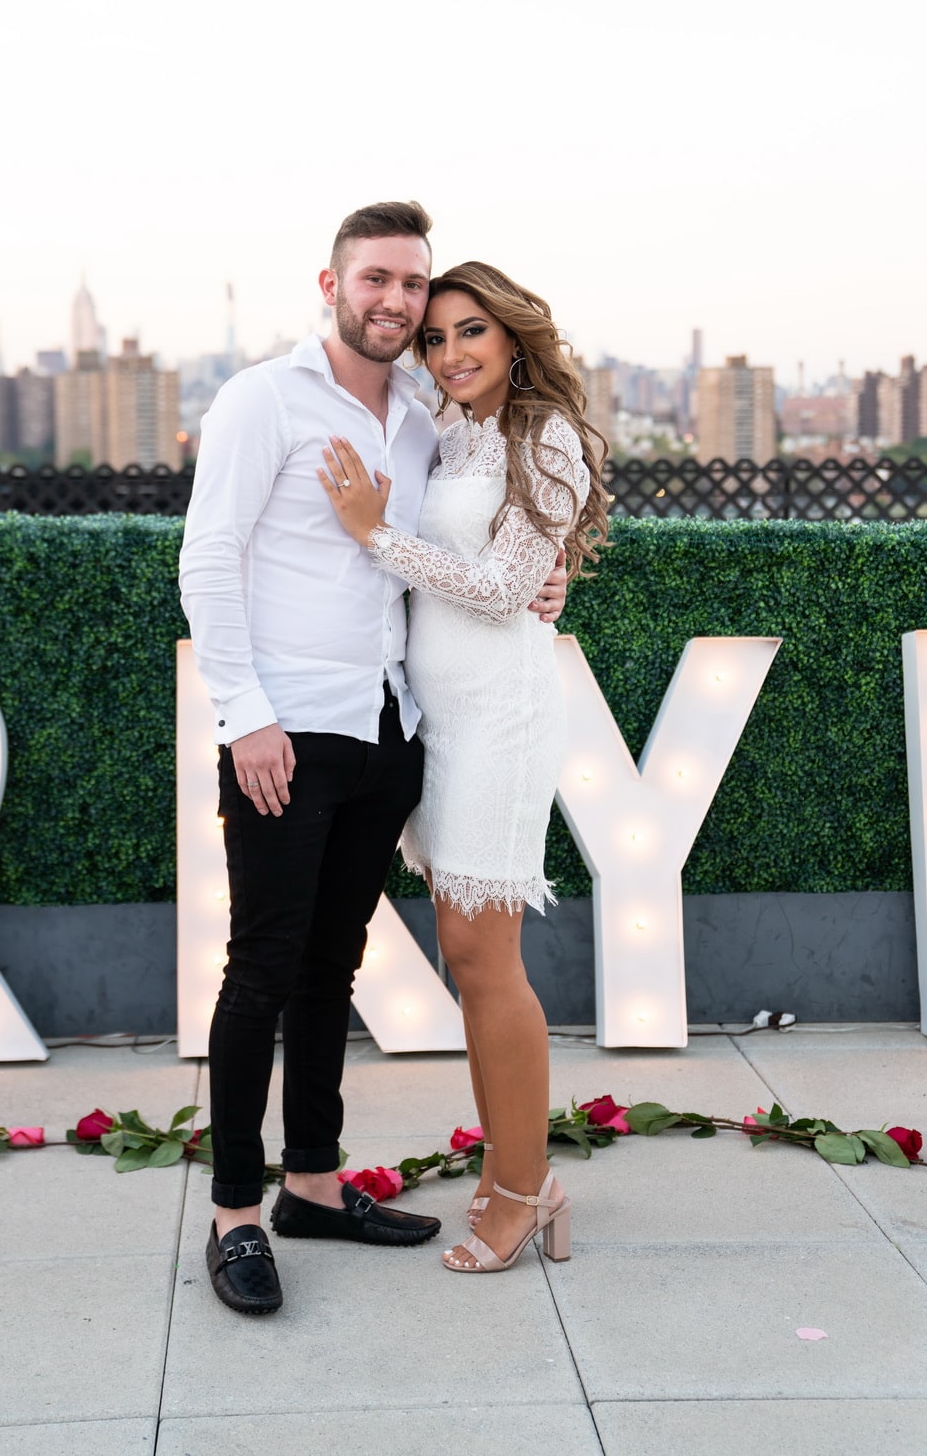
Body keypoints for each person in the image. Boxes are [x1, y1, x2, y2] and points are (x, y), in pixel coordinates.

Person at [179, 204, 568, 1315]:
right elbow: (208, 557)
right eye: (379, 280)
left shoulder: (420, 412)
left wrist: (549, 578)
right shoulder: (263, 398)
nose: (400, 304)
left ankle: (312, 1180)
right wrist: (244, 713)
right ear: (332, 282)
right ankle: (238, 1215)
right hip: (285, 730)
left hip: (393, 729)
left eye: (417, 286)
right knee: (260, 968)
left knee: (328, 971)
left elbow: (502, 524)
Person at [317, 260, 610, 1275]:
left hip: (502, 719)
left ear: (516, 334)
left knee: (489, 962)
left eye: (472, 330)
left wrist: (374, 533)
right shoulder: (448, 430)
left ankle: (524, 1189)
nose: (451, 352)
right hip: (436, 719)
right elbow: (494, 569)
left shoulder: (548, 433)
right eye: (438, 337)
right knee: (464, 951)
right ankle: (514, 1170)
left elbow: (496, 589)